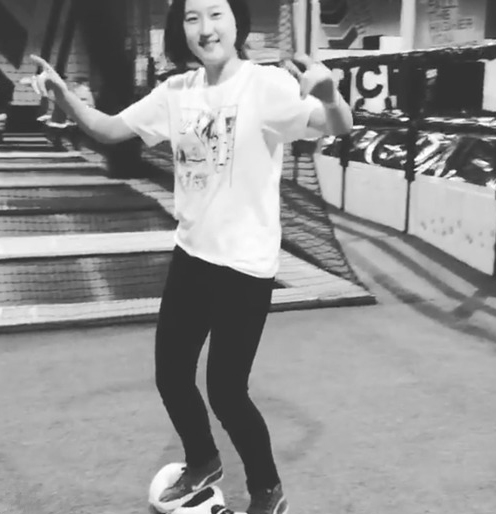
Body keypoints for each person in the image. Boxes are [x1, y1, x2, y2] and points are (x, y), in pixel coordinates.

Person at [24, 1, 353, 513]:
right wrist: (64, 95)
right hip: (192, 256)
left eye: (216, 14)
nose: (206, 29)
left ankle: (267, 489)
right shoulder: (177, 92)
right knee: (172, 376)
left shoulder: (265, 86)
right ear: (183, 29)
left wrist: (330, 95)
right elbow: (109, 129)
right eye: (192, 18)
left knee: (226, 392)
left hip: (244, 267)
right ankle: (202, 461)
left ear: (236, 20)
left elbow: (338, 126)